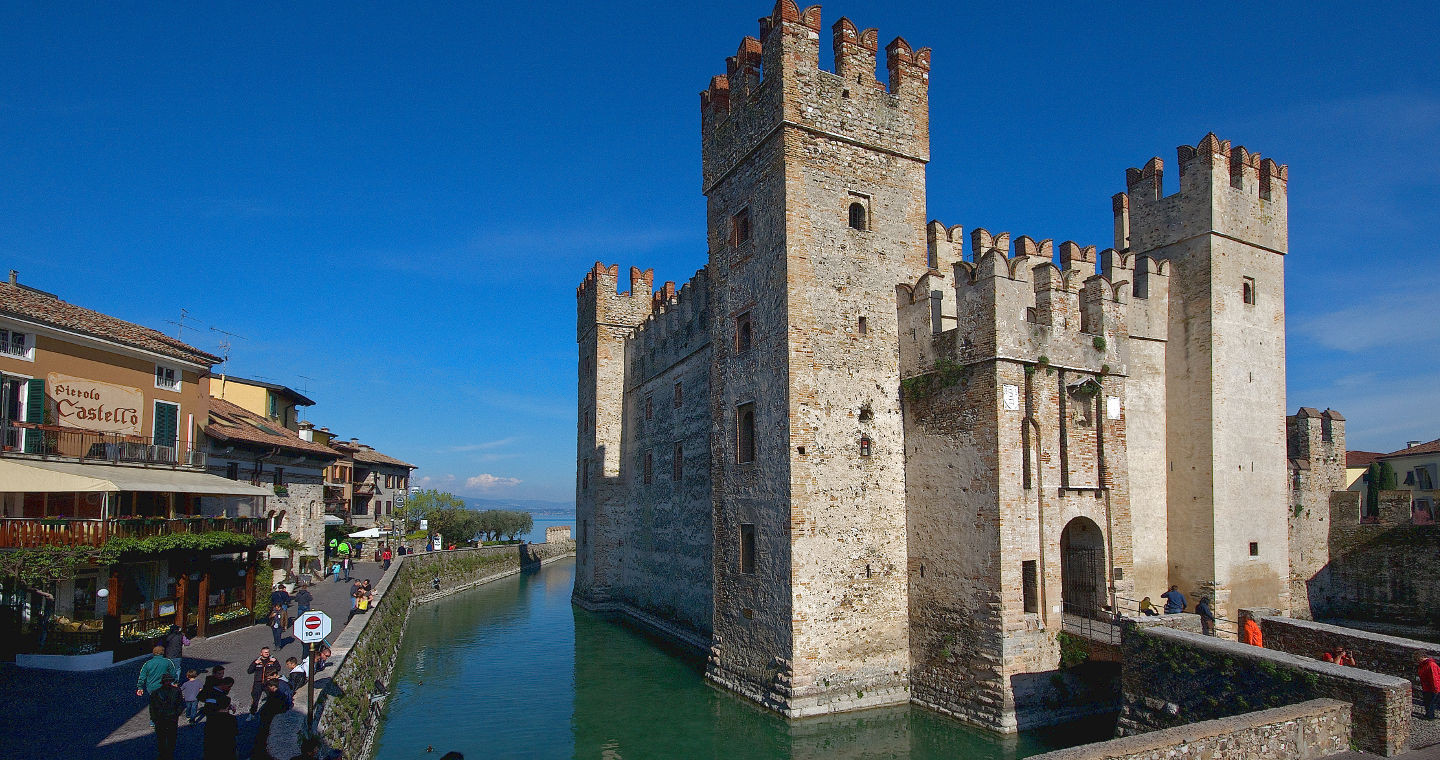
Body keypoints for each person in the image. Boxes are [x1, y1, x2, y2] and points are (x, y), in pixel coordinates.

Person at [149, 672, 183, 760]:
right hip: (162, 719)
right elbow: (152, 707)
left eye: (169, 681)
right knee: (163, 739)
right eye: (166, 681)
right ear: (163, 682)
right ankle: (164, 754)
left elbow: (180, 704)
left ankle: (168, 755)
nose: (168, 683)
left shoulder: (176, 691)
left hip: (171, 718)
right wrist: (154, 718)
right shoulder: (156, 693)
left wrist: (176, 714)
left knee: (170, 738)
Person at [201, 694, 239, 760]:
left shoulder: (211, 718)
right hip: (227, 747)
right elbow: (235, 732)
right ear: (228, 706)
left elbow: (206, 733)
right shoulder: (231, 718)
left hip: (212, 747)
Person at [247, 646, 280, 715]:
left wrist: (276, 662)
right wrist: (255, 663)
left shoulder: (272, 660)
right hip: (258, 683)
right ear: (261, 653)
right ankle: (252, 713)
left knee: (272, 697)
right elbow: (249, 671)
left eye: (268, 652)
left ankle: (273, 712)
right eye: (265, 652)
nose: (267, 654)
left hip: (268, 682)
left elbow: (278, 668)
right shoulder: (257, 661)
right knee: (255, 699)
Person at [1419, 656, 1440, 720]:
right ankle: (1429, 715)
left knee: (1431, 703)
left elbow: (1434, 678)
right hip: (1428, 687)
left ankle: (1430, 716)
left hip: (1432, 688)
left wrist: (1436, 689)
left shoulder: (1430, 665)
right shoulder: (1424, 664)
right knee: (1430, 702)